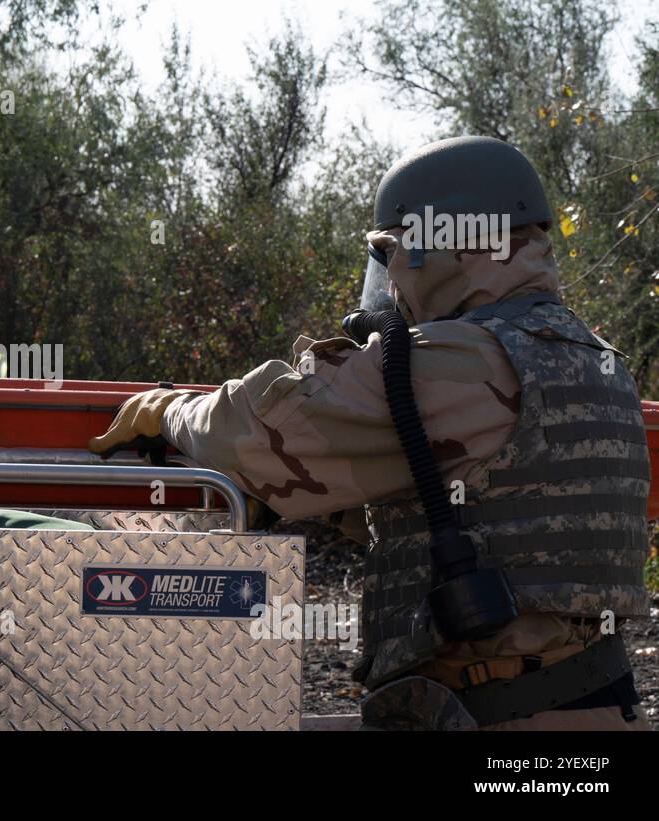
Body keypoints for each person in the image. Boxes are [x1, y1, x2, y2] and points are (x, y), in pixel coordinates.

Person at [88, 136, 651, 731]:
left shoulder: (459, 361)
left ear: (445, 245)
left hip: (496, 722)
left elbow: (254, 432)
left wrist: (163, 411)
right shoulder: (594, 358)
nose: (392, 284)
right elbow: (494, 516)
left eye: (393, 254)